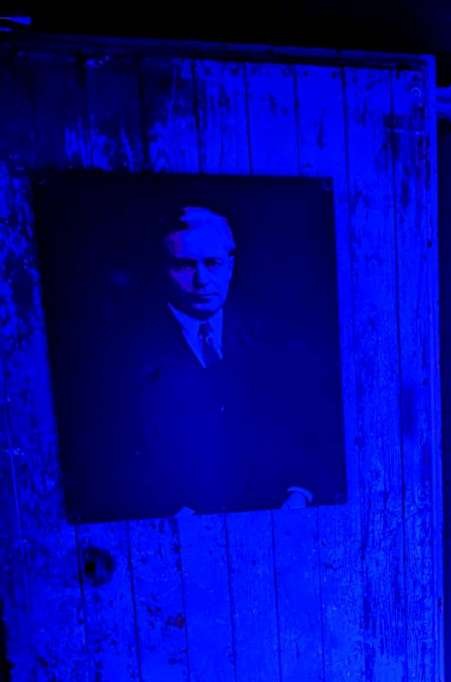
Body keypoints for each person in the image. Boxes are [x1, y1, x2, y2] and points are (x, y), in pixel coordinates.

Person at [71, 205, 341, 521]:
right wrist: (169, 514)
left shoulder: (276, 339)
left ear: (231, 266)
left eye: (212, 263)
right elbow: (107, 463)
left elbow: (314, 437)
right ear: (162, 269)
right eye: (184, 266)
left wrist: (299, 494)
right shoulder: (118, 354)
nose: (201, 280)